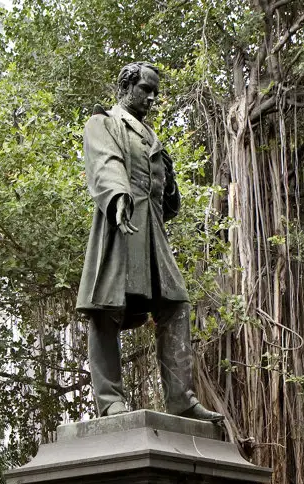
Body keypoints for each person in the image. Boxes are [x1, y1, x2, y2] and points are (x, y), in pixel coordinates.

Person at [76, 61, 224, 422]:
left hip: (153, 232)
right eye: (146, 88)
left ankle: (181, 399)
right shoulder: (104, 123)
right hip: (118, 226)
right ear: (126, 86)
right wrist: (117, 195)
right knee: (105, 309)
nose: (152, 97)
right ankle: (110, 401)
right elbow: (105, 163)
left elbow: (166, 203)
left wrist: (170, 181)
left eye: (155, 91)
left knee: (176, 304)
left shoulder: (150, 136)